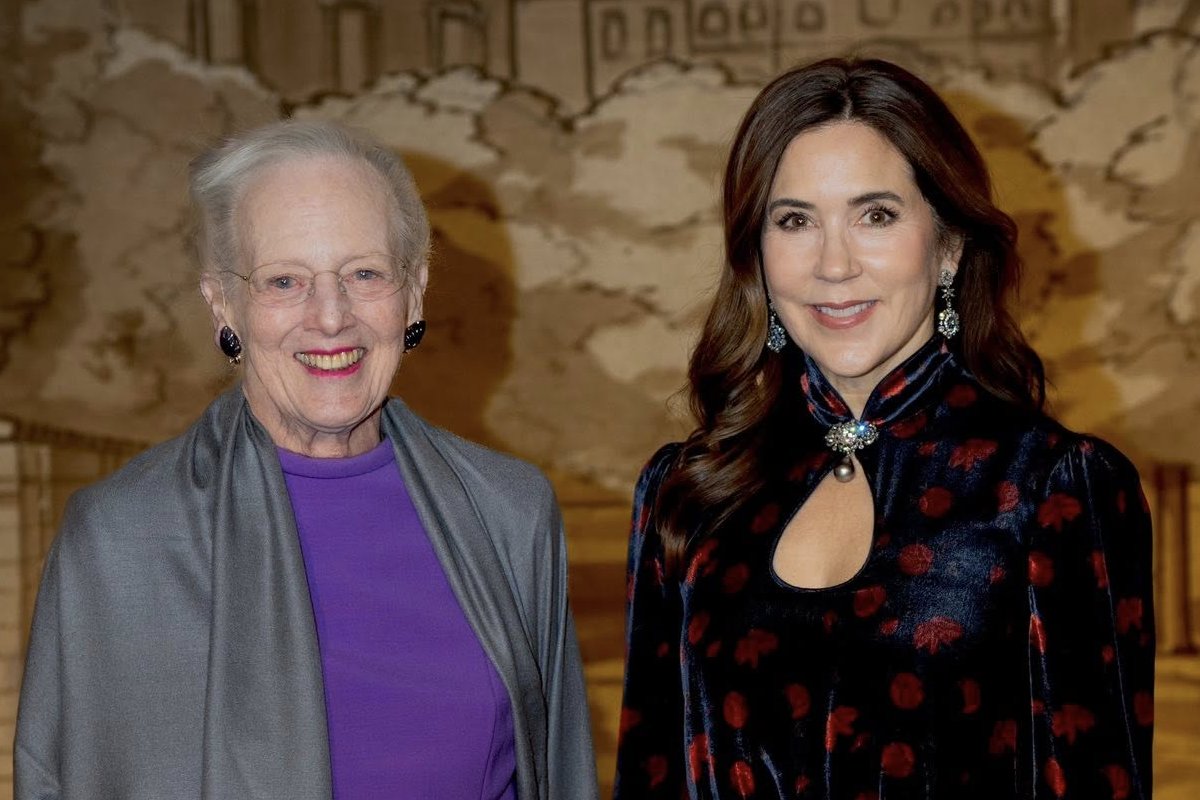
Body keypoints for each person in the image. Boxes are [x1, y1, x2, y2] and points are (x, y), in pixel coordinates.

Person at [614, 58, 1154, 800]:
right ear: (758, 257)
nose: (834, 265)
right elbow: (652, 775)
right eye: (795, 220)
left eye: (876, 215)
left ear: (950, 245)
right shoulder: (688, 490)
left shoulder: (1051, 486)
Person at [16, 119, 598, 800]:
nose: (330, 316)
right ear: (222, 304)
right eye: (284, 280)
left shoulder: (510, 512)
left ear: (413, 290)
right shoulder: (119, 537)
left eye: (364, 273)